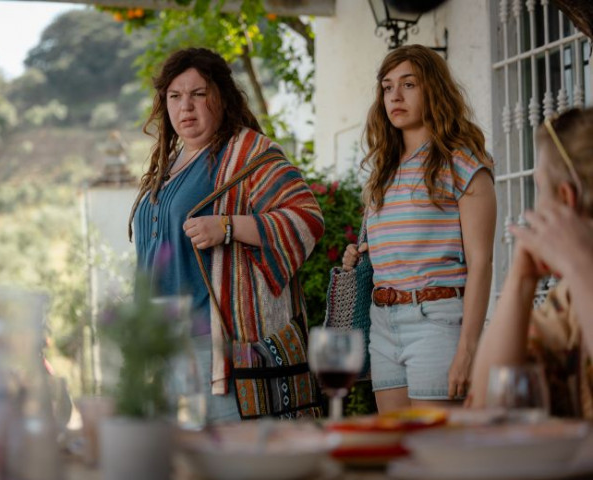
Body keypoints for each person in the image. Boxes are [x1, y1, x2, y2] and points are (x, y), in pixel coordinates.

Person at [128, 47, 324, 420]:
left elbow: (307, 218)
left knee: (230, 454)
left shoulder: (249, 153)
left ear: (222, 96)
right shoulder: (166, 165)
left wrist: (228, 226)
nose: (185, 106)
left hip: (217, 350)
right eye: (175, 96)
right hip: (161, 348)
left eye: (198, 93)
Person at [341, 45, 496, 412]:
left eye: (408, 84)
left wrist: (467, 349)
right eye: (387, 87)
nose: (395, 96)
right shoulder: (383, 171)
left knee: (434, 444)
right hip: (383, 324)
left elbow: (481, 263)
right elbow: (400, 243)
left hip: (437, 322)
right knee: (397, 443)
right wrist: (362, 256)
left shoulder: (462, 164)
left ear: (434, 90)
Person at [470, 107, 593, 418]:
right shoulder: (568, 301)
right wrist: (520, 282)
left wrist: (581, 267)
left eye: (539, 189)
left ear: (566, 199)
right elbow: (489, 405)